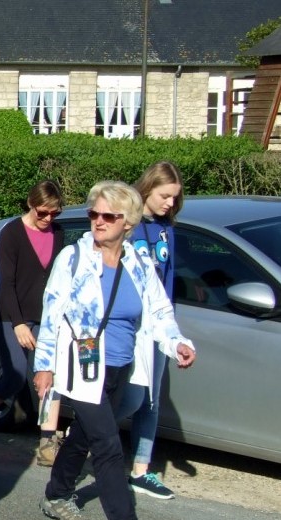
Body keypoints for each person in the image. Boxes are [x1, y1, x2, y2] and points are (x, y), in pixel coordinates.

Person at [33, 181, 196, 520]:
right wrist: (44, 367)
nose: (98, 221)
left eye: (109, 215)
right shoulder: (73, 259)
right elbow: (52, 315)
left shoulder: (139, 263)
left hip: (122, 366)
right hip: (82, 369)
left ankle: (56, 494)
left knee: (86, 436)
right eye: (94, 214)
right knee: (107, 445)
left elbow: (159, 313)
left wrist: (177, 343)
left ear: (129, 222)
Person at [0, 180, 66, 466]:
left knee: (51, 375)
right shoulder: (12, 233)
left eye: (54, 214)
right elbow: (8, 284)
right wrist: (18, 324)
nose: (48, 219)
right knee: (14, 375)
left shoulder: (58, 233)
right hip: (13, 315)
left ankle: (47, 441)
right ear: (30, 203)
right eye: (43, 213)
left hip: (47, 317)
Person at [116, 161, 186, 500]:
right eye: (164, 196)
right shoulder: (126, 225)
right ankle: (88, 439)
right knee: (126, 395)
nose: (170, 204)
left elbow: (167, 282)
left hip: (156, 326)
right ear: (147, 189)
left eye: (174, 198)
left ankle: (141, 470)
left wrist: (170, 329)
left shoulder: (166, 229)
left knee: (151, 399)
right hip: (127, 326)